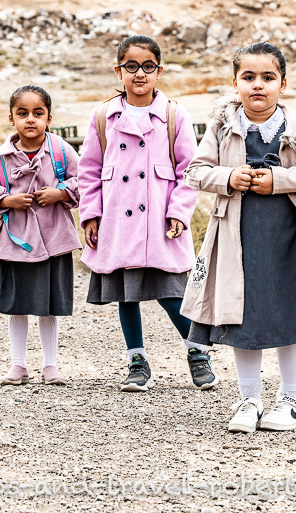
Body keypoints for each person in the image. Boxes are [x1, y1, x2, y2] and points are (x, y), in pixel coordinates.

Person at [180, 42, 296, 433]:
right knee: (241, 317)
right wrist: (229, 177)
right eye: (248, 77)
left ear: (283, 83)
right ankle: (249, 400)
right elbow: (196, 172)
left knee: (288, 312)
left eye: (268, 77)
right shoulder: (221, 125)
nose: (258, 85)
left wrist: (279, 181)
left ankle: (292, 399)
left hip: (287, 239)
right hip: (236, 236)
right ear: (235, 83)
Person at [78, 35, 218, 392]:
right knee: (127, 295)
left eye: (147, 67)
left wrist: (179, 213)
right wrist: (91, 214)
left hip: (160, 220)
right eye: (131, 66)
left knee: (172, 291)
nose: (139, 74)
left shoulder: (174, 114)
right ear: (118, 70)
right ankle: (136, 361)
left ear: (158, 71)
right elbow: (89, 171)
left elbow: (191, 169)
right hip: (118, 221)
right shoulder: (102, 117)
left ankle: (197, 351)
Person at [0, 85, 80, 386]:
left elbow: (84, 182)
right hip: (14, 244)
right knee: (17, 304)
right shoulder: (0, 158)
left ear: (49, 117)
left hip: (53, 240)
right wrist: (6, 200)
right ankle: (18, 365)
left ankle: (51, 366)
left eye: (38, 113)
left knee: (49, 306)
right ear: (11, 118)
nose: (30, 120)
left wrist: (61, 193)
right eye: (23, 114)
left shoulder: (61, 151)